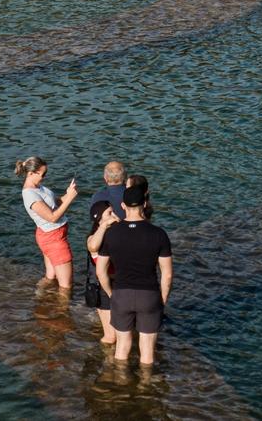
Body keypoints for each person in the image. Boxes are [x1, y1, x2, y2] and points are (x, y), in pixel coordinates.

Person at [96, 184, 173, 366]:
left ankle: (121, 385)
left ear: (122, 205)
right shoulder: (159, 234)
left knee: (122, 347)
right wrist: (162, 299)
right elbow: (167, 274)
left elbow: (100, 270)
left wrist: (110, 293)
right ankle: (145, 388)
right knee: (147, 352)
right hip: (149, 294)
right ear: (144, 204)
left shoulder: (111, 233)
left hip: (121, 294)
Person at [16, 156, 78, 289]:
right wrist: (70, 199)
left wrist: (68, 194)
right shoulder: (30, 195)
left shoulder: (38, 187)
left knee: (51, 276)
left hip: (50, 235)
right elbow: (52, 217)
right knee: (66, 286)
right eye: (43, 174)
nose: (44, 177)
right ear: (31, 173)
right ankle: (62, 309)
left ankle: (40, 298)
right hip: (53, 238)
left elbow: (56, 204)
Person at [85, 200, 120, 344]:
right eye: (110, 213)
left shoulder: (114, 232)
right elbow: (93, 246)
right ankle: (105, 361)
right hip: (103, 289)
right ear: (99, 218)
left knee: (120, 332)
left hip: (118, 285)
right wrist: (104, 225)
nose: (115, 215)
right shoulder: (93, 237)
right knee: (111, 337)